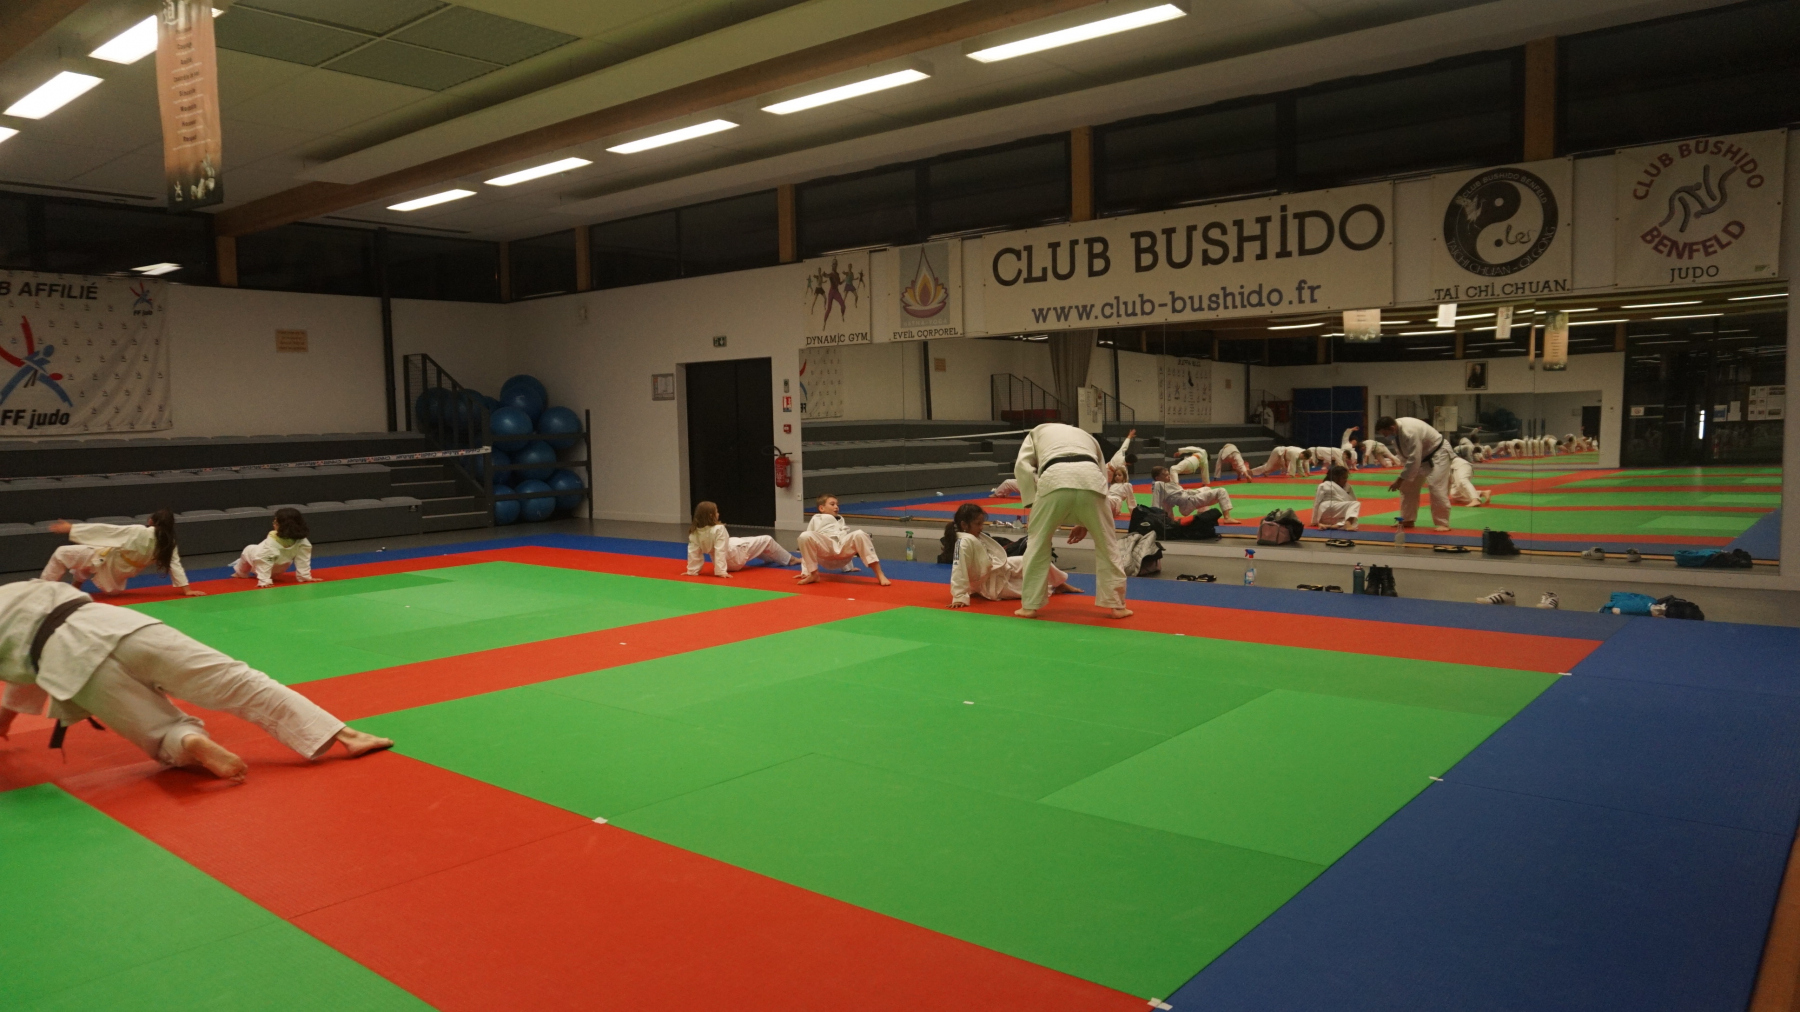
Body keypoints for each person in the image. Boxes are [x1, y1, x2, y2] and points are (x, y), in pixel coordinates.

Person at [0, 579, 392, 783]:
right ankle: (346, 735)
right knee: (239, 681)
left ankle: (187, 740)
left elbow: (24, 661)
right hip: (120, 625)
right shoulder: (20, 588)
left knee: (160, 733)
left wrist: (5, 721)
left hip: (67, 663)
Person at [1012, 422, 1130, 619]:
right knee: (1107, 544)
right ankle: (1117, 606)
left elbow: (1022, 466)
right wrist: (1084, 521)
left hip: (1054, 479)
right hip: (1092, 479)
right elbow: (1101, 471)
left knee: (1037, 543)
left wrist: (1033, 503)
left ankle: (1030, 606)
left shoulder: (1037, 432)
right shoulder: (1085, 435)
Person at [40, 510, 203, 598]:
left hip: (108, 560)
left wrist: (71, 528)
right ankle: (75, 590)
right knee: (86, 559)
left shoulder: (140, 531)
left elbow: (108, 531)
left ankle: (40, 590)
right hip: (120, 573)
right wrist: (186, 590)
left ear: (151, 521)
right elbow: (175, 565)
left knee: (62, 553)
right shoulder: (169, 543)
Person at [943, 503, 1072, 608]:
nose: (981, 528)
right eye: (978, 524)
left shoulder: (973, 536)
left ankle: (1059, 582)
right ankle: (1053, 586)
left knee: (1033, 560)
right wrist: (959, 597)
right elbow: (959, 569)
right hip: (990, 585)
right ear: (964, 525)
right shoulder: (963, 543)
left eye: (982, 523)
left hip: (999, 568)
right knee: (1034, 590)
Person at [1376, 415, 1454, 532]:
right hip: (1421, 456)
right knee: (1407, 486)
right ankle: (1408, 519)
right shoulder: (1397, 432)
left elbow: (1414, 458)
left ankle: (1443, 523)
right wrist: (1402, 475)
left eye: (1385, 433)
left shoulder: (1410, 432)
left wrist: (1400, 479)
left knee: (1436, 486)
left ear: (1392, 428)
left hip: (1438, 454)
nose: (1385, 436)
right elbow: (1405, 455)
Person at [685, 500, 795, 578]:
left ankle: (771, 558)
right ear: (710, 515)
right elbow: (720, 550)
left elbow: (693, 553)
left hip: (726, 561)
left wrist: (692, 570)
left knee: (743, 541)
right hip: (734, 559)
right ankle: (791, 560)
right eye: (716, 512)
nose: (718, 514)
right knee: (767, 540)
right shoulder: (718, 529)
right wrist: (720, 572)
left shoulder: (694, 532)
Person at [796, 494, 888, 585]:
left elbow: (844, 540)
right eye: (832, 504)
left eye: (837, 504)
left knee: (860, 534)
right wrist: (805, 571)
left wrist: (849, 568)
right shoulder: (816, 518)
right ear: (821, 508)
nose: (836, 507)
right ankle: (813, 574)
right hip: (825, 551)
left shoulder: (840, 519)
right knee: (805, 536)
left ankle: (880, 574)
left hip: (841, 553)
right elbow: (806, 546)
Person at [231, 507, 320, 588]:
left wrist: (305, 577)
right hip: (268, 564)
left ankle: (241, 573)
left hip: (268, 565)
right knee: (250, 550)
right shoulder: (301, 541)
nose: (274, 523)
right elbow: (263, 560)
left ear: (279, 525)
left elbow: (303, 560)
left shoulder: (300, 541)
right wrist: (264, 580)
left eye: (276, 521)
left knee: (249, 549)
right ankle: (240, 573)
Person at [1150, 465, 1233, 521]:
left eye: (1168, 474)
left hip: (1187, 500)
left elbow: (1167, 505)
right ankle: (1227, 517)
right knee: (1221, 491)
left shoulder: (1166, 486)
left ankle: (1202, 513)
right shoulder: (1158, 485)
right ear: (1157, 478)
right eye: (1165, 475)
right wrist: (1155, 514)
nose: (1168, 477)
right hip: (1188, 502)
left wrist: (1171, 519)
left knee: (1206, 488)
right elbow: (1157, 503)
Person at [1311, 464, 1361, 529]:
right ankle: (1347, 523)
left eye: (1346, 478)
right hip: (1327, 508)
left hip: (1336, 514)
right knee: (1355, 504)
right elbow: (1317, 502)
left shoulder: (1347, 487)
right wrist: (1314, 520)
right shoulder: (1324, 485)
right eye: (1343, 478)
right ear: (1335, 477)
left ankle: (1332, 526)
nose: (1346, 480)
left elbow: (1352, 501)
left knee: (1353, 519)